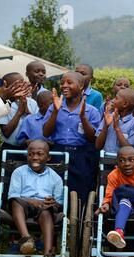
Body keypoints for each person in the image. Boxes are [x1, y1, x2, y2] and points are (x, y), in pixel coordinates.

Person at [43, 72, 101, 205]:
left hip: (82, 155)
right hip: (58, 153)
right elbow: (46, 132)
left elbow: (93, 138)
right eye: (62, 83)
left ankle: (76, 221)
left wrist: (83, 118)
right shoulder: (54, 106)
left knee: (81, 192)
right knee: (56, 190)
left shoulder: (91, 111)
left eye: (69, 83)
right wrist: (56, 112)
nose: (64, 86)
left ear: (81, 86)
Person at [8, 140, 63, 257]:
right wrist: (31, 201)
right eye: (31, 154)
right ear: (27, 155)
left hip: (45, 208)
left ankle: (48, 254)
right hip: (23, 205)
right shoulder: (19, 172)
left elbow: (59, 203)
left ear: (48, 157)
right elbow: (13, 195)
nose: (34, 157)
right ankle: (26, 239)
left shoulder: (55, 178)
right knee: (15, 201)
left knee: (47, 211)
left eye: (39, 154)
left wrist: (53, 202)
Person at [0, 73, 38, 152]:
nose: (22, 86)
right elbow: (6, 133)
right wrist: (19, 112)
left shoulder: (32, 102)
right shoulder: (2, 104)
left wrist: (27, 111)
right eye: (17, 85)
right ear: (7, 86)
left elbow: (36, 127)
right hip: (10, 149)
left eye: (23, 83)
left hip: (30, 150)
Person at [95, 88, 134, 153]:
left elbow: (129, 150)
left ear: (125, 104)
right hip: (105, 161)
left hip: (123, 162)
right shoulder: (108, 117)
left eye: (116, 98)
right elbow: (98, 146)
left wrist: (117, 128)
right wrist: (106, 126)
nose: (113, 100)